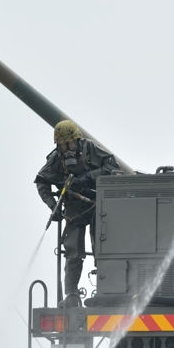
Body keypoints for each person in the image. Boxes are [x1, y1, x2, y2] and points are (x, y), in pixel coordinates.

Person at [35, 120, 120, 307]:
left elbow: (113, 167)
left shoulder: (90, 148)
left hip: (99, 205)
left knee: (103, 247)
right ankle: (72, 294)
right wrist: (53, 205)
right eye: (63, 145)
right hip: (74, 208)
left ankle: (105, 290)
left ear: (78, 141)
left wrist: (89, 177)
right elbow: (41, 181)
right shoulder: (56, 157)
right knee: (72, 249)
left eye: (70, 144)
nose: (67, 149)